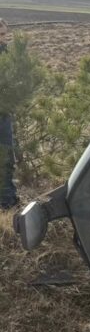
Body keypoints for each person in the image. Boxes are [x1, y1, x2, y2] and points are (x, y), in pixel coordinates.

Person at [0, 19, 16, 209]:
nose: (4, 39)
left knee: (6, 157)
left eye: (5, 34)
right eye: (0, 35)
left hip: (4, 113)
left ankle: (7, 200)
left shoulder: (6, 52)